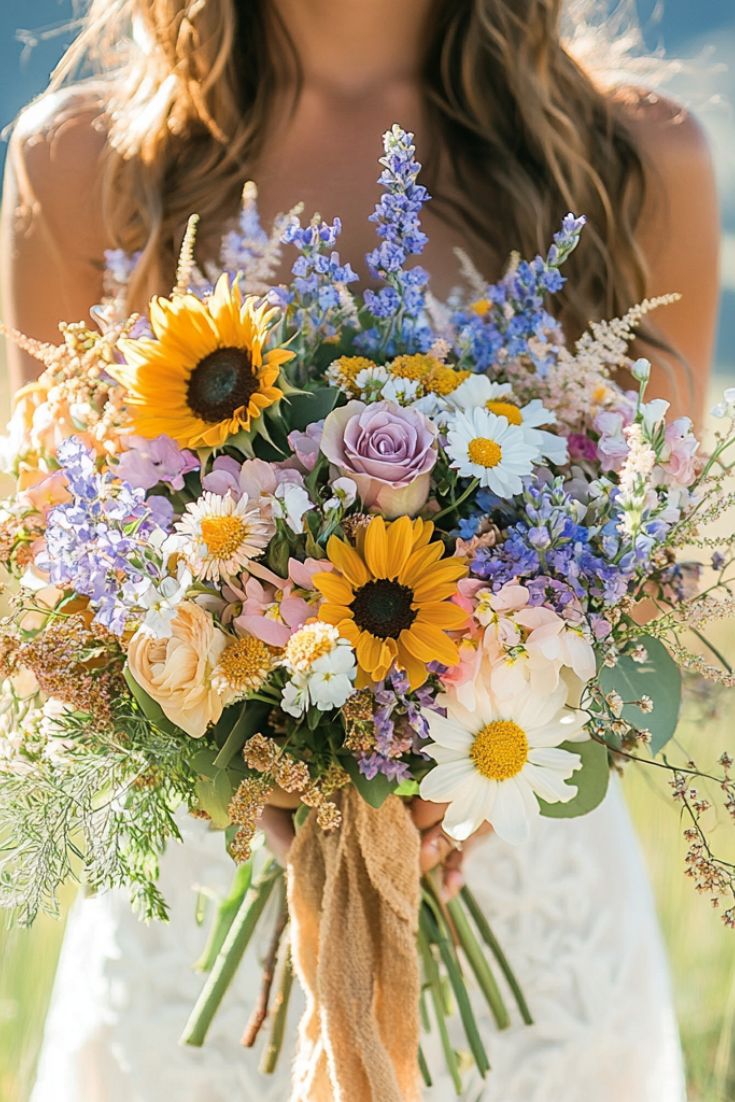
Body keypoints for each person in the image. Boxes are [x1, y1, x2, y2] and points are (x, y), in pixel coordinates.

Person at [1, 1, 719, 1099]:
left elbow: (636, 567)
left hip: (530, 889)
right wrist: (259, 774)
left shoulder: (633, 160)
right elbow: (62, 565)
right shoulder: (82, 162)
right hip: (191, 948)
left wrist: (460, 768)